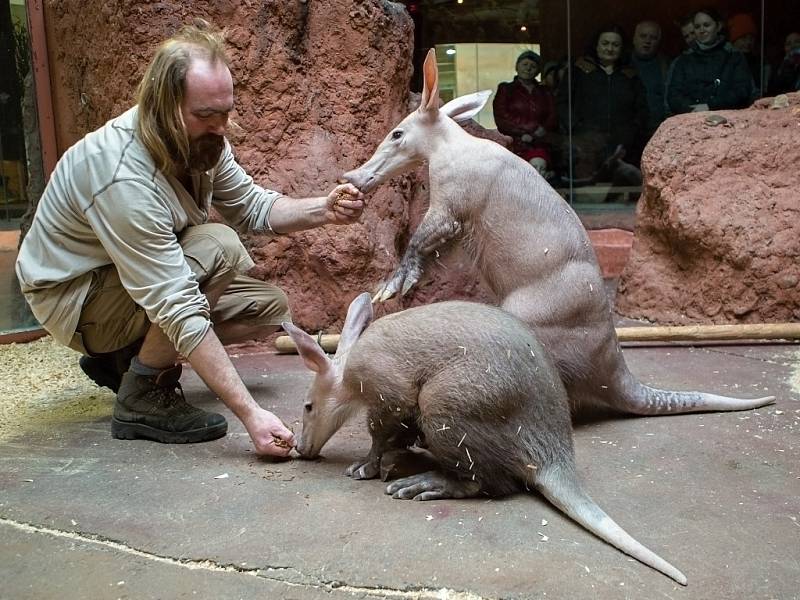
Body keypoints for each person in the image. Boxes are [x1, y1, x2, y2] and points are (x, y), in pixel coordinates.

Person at [14, 20, 365, 456]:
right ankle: (143, 392)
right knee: (219, 247)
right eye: (206, 115)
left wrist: (324, 210)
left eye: (226, 112)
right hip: (73, 297)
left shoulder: (203, 140)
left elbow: (253, 206)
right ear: (163, 106)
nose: (221, 126)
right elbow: (176, 302)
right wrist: (251, 414)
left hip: (122, 279)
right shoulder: (122, 174)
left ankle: (123, 359)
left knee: (268, 308)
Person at [556, 25, 648, 184]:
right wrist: (576, 129)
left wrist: (631, 134)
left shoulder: (630, 75)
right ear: (596, 45)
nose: (610, 48)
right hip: (586, 148)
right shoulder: (579, 71)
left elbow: (641, 110)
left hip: (623, 148)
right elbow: (562, 102)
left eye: (615, 45)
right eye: (605, 43)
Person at [666, 8, 754, 114]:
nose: (702, 30)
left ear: (718, 26)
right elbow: (674, 95)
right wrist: (691, 109)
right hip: (691, 119)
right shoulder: (684, 60)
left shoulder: (734, 56)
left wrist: (710, 106)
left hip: (727, 119)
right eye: (697, 27)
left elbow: (742, 91)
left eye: (706, 25)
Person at [492, 50, 557, 177]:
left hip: (541, 142)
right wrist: (528, 130)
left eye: (533, 66)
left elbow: (552, 115)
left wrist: (542, 130)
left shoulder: (544, 91)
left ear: (538, 71)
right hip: (514, 143)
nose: (528, 69)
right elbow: (502, 116)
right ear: (517, 66)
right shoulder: (506, 89)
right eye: (525, 64)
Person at [630, 20, 670, 135]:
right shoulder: (622, 64)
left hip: (658, 129)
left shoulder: (666, 66)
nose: (647, 41)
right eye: (643, 36)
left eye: (653, 38)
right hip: (629, 131)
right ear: (634, 39)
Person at [726, 12, 768, 98]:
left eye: (751, 38)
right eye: (744, 38)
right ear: (734, 40)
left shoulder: (761, 64)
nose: (748, 43)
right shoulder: (726, 63)